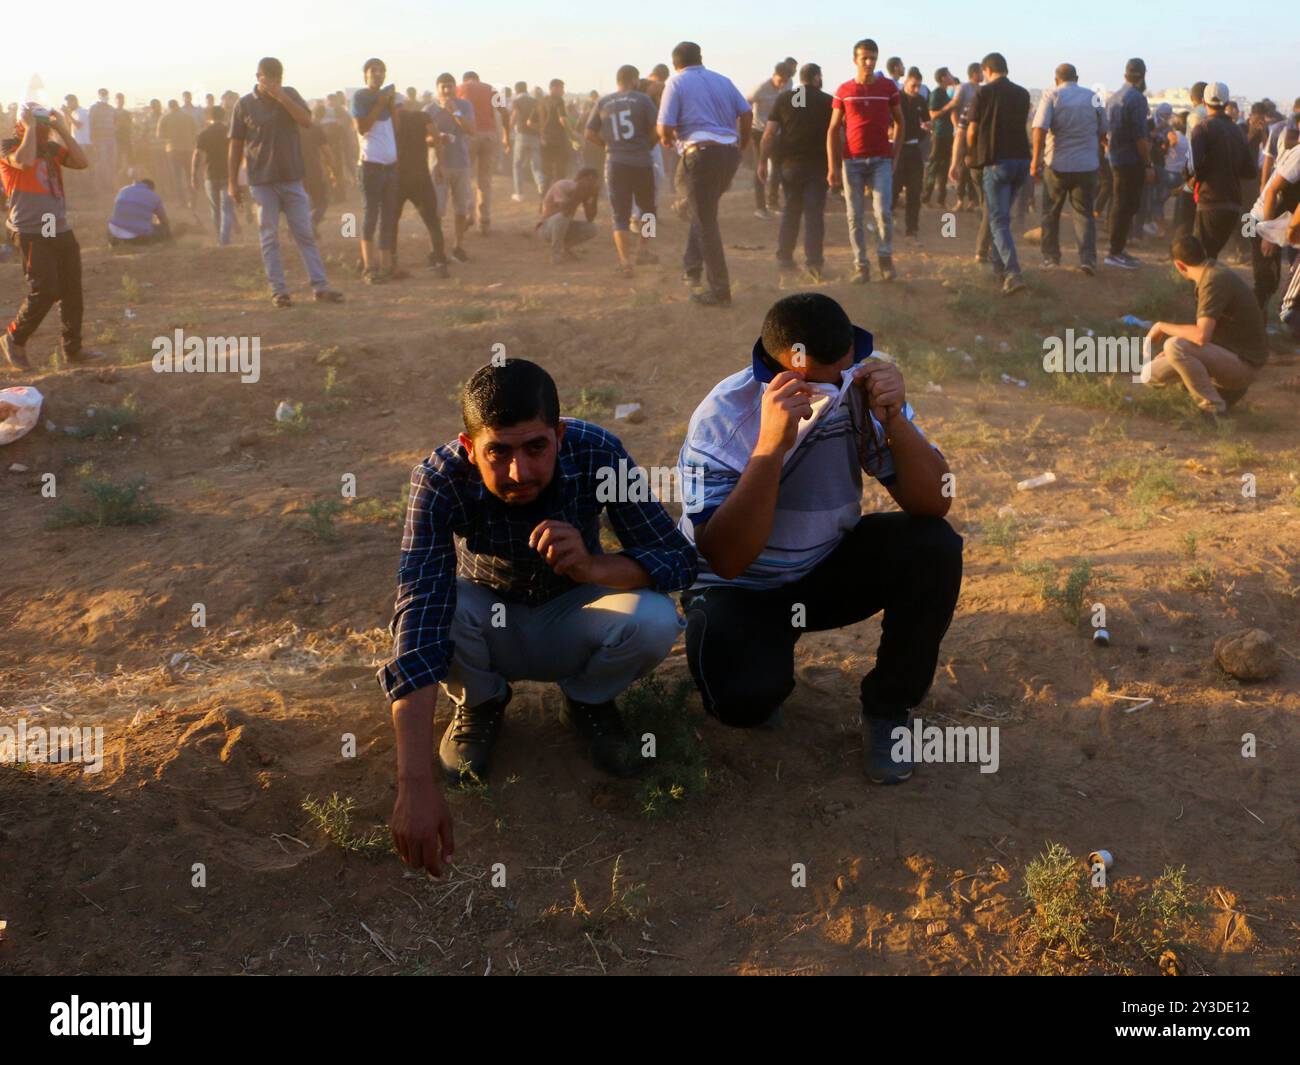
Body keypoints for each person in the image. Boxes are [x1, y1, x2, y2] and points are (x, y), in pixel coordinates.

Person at [381, 359, 697, 875]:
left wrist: (595, 565)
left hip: (574, 610)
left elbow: (677, 558)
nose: (518, 472)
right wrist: (414, 785)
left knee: (655, 618)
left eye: (535, 448)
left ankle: (587, 700)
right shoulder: (438, 479)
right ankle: (481, 704)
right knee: (440, 609)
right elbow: (420, 614)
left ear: (560, 434)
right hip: (484, 620)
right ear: (468, 447)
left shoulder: (597, 452)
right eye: (497, 453)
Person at [675, 293, 961, 783]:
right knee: (742, 703)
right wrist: (770, 447)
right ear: (779, 368)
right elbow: (725, 559)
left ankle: (889, 709)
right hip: (742, 588)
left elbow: (933, 503)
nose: (837, 389)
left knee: (933, 545)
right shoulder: (724, 419)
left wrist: (895, 423)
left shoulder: (856, 386)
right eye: (817, 383)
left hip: (823, 568)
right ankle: (762, 665)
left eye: (844, 372)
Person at [228, 57, 344, 307]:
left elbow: (306, 121)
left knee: (305, 234)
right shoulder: (245, 105)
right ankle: (278, 291)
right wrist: (232, 182)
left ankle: (320, 287)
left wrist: (282, 97)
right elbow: (236, 144)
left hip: (291, 178)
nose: (273, 84)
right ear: (258, 77)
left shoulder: (290, 95)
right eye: (268, 79)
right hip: (261, 181)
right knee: (269, 236)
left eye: (278, 80)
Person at [1, 105, 105, 369]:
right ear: (21, 124)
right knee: (45, 289)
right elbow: (23, 163)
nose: (43, 128)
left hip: (53, 225)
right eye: (38, 123)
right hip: (29, 228)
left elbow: (81, 162)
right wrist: (31, 128)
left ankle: (73, 349)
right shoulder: (8, 147)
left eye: (44, 123)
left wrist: (61, 128)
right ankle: (14, 338)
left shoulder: (51, 149)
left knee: (71, 289)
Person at [657, 40, 752, 307]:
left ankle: (720, 290)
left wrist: (666, 140)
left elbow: (664, 127)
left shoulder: (675, 84)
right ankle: (691, 267)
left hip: (700, 154)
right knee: (704, 212)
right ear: (700, 58)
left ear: (675, 64)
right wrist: (741, 146)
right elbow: (746, 114)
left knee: (705, 220)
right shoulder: (723, 80)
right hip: (727, 155)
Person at [1141, 234, 1268, 417]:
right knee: (1151, 374)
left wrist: (1161, 326)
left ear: (1179, 265)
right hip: (1227, 353)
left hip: (1244, 364)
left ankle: (1213, 409)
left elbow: (1201, 335)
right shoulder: (1212, 272)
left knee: (1175, 345)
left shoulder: (1213, 280)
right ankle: (1215, 389)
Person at [827, 37, 902, 283]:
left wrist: (895, 155)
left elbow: (901, 122)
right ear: (855, 60)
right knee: (854, 216)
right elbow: (833, 129)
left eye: (873, 58)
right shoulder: (844, 91)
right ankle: (861, 265)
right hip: (852, 161)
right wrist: (833, 166)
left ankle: (885, 259)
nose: (869, 63)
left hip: (881, 159)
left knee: (883, 212)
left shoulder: (888, 88)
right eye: (864, 58)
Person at [1031, 63, 1107, 274]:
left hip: (1057, 165)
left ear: (1056, 79)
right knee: (1084, 214)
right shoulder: (1094, 97)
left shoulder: (1052, 95)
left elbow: (1039, 129)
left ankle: (1051, 257)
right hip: (1086, 165)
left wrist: (1035, 161)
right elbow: (1103, 131)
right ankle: (1087, 260)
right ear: (1077, 78)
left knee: (1050, 212)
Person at [965, 52, 1031, 294]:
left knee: (998, 220)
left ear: (987, 70)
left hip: (996, 162)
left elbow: (972, 130)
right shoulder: (1023, 94)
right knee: (1001, 217)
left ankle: (1013, 272)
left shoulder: (983, 92)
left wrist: (969, 154)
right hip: (1021, 161)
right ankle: (998, 268)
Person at [585, 64, 658, 277]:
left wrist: (606, 145)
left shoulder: (603, 101)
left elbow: (588, 132)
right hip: (642, 162)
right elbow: (656, 129)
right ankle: (644, 250)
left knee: (620, 215)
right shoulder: (643, 100)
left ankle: (625, 262)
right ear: (634, 80)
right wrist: (648, 145)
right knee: (648, 210)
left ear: (618, 81)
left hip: (616, 163)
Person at [761, 62, 832, 280]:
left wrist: (763, 162)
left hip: (789, 165)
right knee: (813, 214)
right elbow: (837, 134)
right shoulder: (827, 101)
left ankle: (784, 258)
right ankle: (813, 264)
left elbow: (769, 133)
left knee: (791, 210)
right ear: (817, 78)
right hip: (818, 165)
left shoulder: (785, 98)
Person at [1190, 82, 1255, 260]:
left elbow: (1189, 168)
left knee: (1202, 258)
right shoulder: (1238, 132)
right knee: (1211, 257)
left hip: (1210, 202)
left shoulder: (1202, 128)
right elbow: (1250, 171)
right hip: (1232, 206)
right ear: (1227, 104)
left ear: (1204, 103)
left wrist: (1196, 178)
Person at [352, 59, 402, 284]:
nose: (378, 74)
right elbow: (361, 128)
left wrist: (390, 104)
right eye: (374, 71)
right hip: (370, 164)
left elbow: (397, 128)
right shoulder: (361, 97)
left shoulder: (386, 98)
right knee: (371, 214)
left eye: (382, 71)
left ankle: (386, 265)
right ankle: (368, 266)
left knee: (388, 217)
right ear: (365, 75)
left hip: (389, 165)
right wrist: (381, 104)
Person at [1104, 58, 1153, 269]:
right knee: (1126, 205)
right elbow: (1140, 138)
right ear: (1142, 77)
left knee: (1121, 204)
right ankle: (1114, 252)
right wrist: (1148, 164)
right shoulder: (1137, 99)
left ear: (1125, 75)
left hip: (1115, 157)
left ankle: (1117, 249)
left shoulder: (1114, 98)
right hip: (1131, 160)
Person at [392, 98, 449, 276]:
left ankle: (391, 262)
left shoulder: (388, 120)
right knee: (433, 222)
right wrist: (439, 165)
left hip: (397, 177)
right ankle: (440, 262)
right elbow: (437, 138)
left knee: (391, 223)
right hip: (420, 175)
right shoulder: (422, 116)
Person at [427, 72, 476, 264]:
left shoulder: (464, 106)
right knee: (437, 209)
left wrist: (455, 111)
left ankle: (459, 246)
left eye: (450, 86)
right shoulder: (429, 110)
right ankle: (435, 248)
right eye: (443, 86)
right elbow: (424, 139)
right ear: (437, 88)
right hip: (438, 165)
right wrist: (437, 139)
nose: (447, 90)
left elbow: (471, 130)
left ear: (455, 87)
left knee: (461, 208)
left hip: (460, 163)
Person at [1248, 139, 1300, 311]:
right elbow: (1272, 191)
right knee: (1265, 279)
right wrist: (1268, 235)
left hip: (1277, 224)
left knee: (1271, 281)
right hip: (1262, 220)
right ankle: (1252, 329)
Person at [457, 72, 508, 234]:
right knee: (485, 180)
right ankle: (484, 220)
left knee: (466, 177)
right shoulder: (491, 89)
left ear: (465, 79)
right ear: (477, 78)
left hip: (469, 135)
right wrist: (507, 135)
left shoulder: (460, 88)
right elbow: (504, 112)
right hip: (489, 135)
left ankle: (469, 212)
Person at [747, 60, 793, 219]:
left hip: (778, 132)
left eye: (785, 81)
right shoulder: (761, 88)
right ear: (774, 76)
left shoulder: (789, 84)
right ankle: (760, 207)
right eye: (780, 80)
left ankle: (772, 202)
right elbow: (746, 102)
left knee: (778, 166)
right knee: (761, 166)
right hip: (759, 131)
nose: (782, 84)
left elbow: (796, 102)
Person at [893, 69, 928, 240]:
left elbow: (927, 121)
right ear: (905, 83)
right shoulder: (895, 99)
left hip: (914, 149)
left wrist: (924, 131)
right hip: (896, 149)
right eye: (913, 86)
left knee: (915, 190)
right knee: (893, 188)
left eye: (919, 86)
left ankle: (911, 229)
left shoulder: (921, 100)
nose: (916, 90)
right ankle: (885, 224)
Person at [537, 167, 599, 263]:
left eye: (594, 181)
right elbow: (566, 211)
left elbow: (590, 217)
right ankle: (555, 254)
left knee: (593, 228)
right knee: (563, 217)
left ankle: (565, 249)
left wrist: (593, 198)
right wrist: (579, 193)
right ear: (579, 179)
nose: (591, 184)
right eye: (588, 180)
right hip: (546, 228)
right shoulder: (562, 185)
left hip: (563, 226)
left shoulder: (586, 191)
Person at [192, 105, 234, 244]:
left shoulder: (204, 134)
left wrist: (193, 175)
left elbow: (197, 155)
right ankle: (224, 239)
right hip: (228, 174)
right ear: (224, 116)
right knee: (226, 209)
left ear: (209, 117)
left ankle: (219, 237)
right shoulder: (229, 132)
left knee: (215, 209)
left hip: (210, 174)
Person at [923, 68, 956, 207]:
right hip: (939, 134)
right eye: (949, 74)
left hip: (948, 134)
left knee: (944, 167)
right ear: (943, 78)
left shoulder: (946, 93)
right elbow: (933, 114)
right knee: (933, 166)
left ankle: (941, 200)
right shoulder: (937, 93)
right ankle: (925, 198)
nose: (952, 76)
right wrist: (949, 106)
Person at [107, 177, 171, 245]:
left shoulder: (123, 191)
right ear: (151, 189)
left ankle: (117, 241)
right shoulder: (154, 197)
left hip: (114, 233)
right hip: (137, 237)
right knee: (163, 230)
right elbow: (163, 220)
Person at [157, 99, 197, 207]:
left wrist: (170, 139)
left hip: (173, 149)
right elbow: (195, 132)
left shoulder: (164, 118)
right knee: (190, 176)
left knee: (177, 177)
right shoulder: (188, 117)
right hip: (188, 149)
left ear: (169, 106)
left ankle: (181, 201)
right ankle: (193, 200)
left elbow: (159, 135)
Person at [508, 79, 544, 201]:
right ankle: (541, 184)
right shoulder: (535, 101)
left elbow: (514, 117)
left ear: (516, 90)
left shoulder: (517, 101)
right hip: (534, 135)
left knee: (517, 164)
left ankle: (519, 193)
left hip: (521, 135)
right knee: (536, 164)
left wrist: (508, 131)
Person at [537, 79, 574, 190]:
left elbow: (530, 122)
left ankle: (546, 196)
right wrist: (572, 135)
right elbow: (562, 119)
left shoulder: (541, 101)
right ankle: (559, 195)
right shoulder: (559, 100)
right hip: (558, 141)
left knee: (547, 171)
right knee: (560, 171)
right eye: (561, 88)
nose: (563, 91)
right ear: (554, 88)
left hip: (544, 140)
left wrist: (542, 130)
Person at [88, 89, 117, 195]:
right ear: (99, 95)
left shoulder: (111, 109)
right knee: (101, 163)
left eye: (106, 94)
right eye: (102, 94)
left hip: (111, 139)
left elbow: (114, 123)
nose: (105, 96)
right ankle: (100, 187)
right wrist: (93, 140)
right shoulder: (94, 109)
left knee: (112, 163)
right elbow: (91, 125)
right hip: (100, 140)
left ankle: (110, 185)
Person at [113, 92, 134, 184]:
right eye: (119, 100)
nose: (121, 102)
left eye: (122, 100)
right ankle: (118, 182)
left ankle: (129, 180)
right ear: (116, 101)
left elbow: (130, 126)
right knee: (117, 161)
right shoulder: (112, 113)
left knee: (130, 161)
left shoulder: (127, 113)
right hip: (117, 139)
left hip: (127, 139)